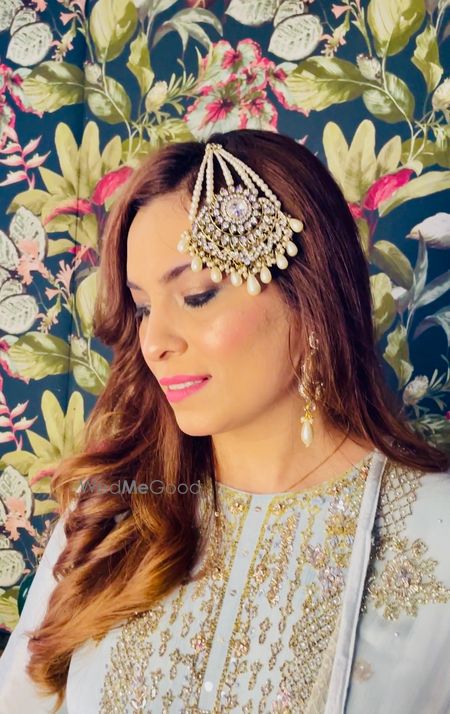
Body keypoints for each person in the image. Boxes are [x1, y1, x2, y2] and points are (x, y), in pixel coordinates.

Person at [0, 129, 449, 714]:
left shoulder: (435, 530)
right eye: (143, 307)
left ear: (308, 298)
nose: (153, 341)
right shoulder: (112, 512)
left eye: (195, 295)